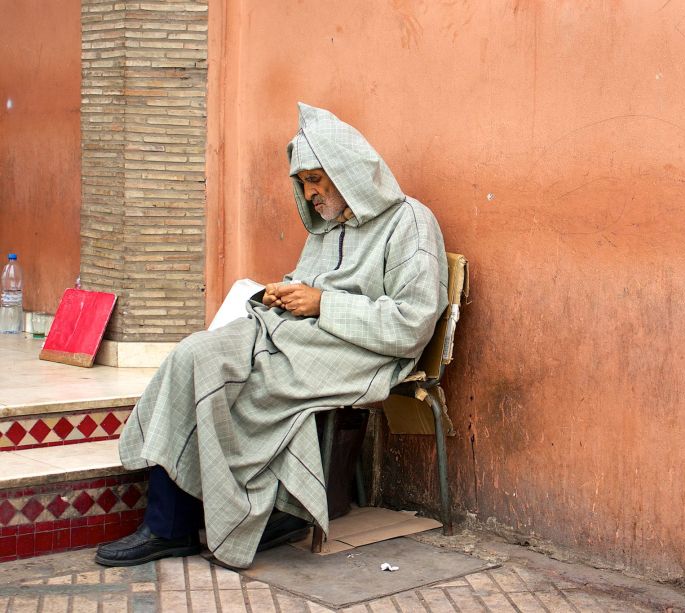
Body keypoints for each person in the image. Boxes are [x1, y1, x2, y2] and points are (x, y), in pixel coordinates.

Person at [95, 103, 448, 569]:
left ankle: (189, 523)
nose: (310, 192)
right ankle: (202, 518)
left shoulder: (410, 222)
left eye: (316, 179)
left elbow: (412, 325)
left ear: (349, 172)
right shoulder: (326, 225)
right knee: (194, 354)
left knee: (239, 382)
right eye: (302, 182)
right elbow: (310, 285)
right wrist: (281, 296)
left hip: (366, 354)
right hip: (296, 337)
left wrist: (321, 303)